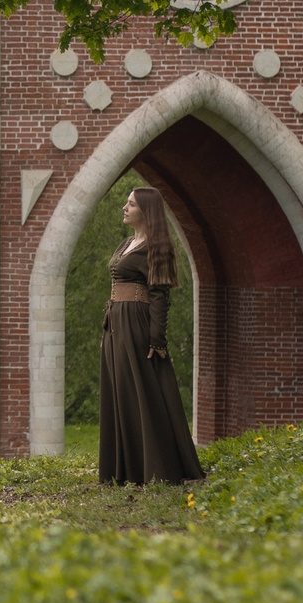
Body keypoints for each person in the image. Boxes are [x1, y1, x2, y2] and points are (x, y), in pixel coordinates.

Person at [99, 186, 204, 486]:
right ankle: (125, 468)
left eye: (130, 204)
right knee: (121, 391)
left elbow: (159, 296)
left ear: (146, 211)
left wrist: (157, 340)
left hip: (137, 326)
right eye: (127, 203)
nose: (124, 207)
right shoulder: (127, 243)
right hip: (116, 324)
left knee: (143, 393)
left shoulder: (157, 247)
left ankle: (158, 467)